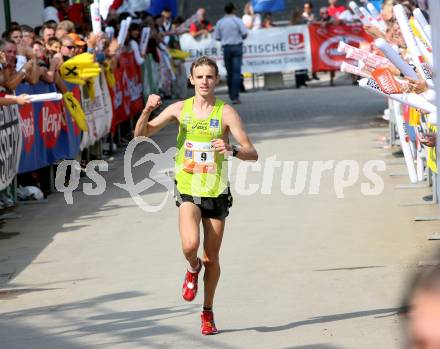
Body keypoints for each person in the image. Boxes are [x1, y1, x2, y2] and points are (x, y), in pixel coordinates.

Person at [134, 56, 258, 335]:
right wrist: (147, 110)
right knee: (191, 247)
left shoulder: (226, 113)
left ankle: (207, 312)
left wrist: (232, 151)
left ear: (216, 80)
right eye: (199, 77)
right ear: (191, 80)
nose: (204, 81)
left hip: (216, 191)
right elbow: (141, 136)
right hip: (188, 187)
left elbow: (252, 153)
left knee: (212, 259)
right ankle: (192, 269)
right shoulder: (180, 109)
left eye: (209, 77)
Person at [214, 2, 248, 104]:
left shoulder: (220, 22)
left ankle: (231, 95)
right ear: (233, 10)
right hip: (237, 47)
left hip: (226, 48)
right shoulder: (237, 20)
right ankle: (235, 96)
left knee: (229, 73)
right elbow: (245, 34)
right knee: (236, 73)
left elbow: (217, 37)